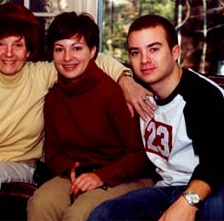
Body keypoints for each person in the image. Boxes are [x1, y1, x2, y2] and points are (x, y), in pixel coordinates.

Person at [0, 3, 154, 221]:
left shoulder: (43, 76)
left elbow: (96, 59)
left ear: (29, 49)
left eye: (18, 45)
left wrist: (125, 79)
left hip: (17, 163)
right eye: (0, 44)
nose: (8, 53)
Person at [88, 14, 224, 221]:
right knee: (103, 214)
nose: (144, 60)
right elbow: (96, 59)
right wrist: (124, 81)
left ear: (175, 52)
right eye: (136, 52)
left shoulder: (201, 95)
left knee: (214, 208)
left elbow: (222, 161)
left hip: (221, 187)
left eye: (154, 49)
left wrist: (188, 201)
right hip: (169, 187)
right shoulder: (139, 90)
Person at [26, 12, 154, 221]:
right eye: (60, 49)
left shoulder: (113, 93)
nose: (67, 58)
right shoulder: (53, 97)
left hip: (126, 176)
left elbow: (139, 155)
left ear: (92, 51)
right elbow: (53, 152)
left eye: (77, 48)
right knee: (41, 202)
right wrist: (72, 170)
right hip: (77, 175)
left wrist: (100, 177)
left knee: (80, 214)